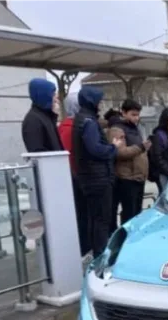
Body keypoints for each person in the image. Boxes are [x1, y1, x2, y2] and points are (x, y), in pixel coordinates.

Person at [72, 86, 120, 256]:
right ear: (92, 101)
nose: (101, 104)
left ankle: (95, 252)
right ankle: (100, 255)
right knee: (101, 219)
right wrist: (112, 148)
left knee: (94, 219)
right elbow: (95, 148)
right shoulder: (89, 122)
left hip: (90, 177)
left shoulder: (81, 119)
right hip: (97, 178)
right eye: (99, 100)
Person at [109, 100, 149, 233]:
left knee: (136, 213)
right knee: (129, 214)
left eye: (138, 115)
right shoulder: (117, 129)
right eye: (133, 115)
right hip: (127, 178)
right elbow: (120, 152)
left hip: (138, 177)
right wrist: (141, 147)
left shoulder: (135, 129)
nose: (136, 118)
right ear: (123, 113)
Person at [57, 91, 89, 258]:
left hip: (71, 179)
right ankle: (83, 250)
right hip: (79, 180)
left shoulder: (63, 127)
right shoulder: (75, 128)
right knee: (83, 217)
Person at [21, 78, 63, 153]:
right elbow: (38, 153)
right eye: (53, 94)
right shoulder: (33, 120)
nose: (56, 99)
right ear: (44, 95)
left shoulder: (45, 117)